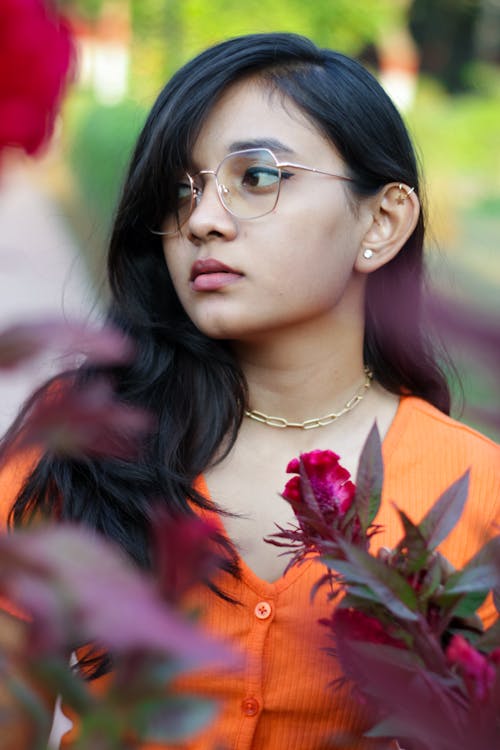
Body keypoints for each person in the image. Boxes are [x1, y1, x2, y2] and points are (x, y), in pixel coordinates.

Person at [1, 32, 499, 750]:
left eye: (257, 177)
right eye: (180, 190)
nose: (201, 219)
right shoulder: (87, 437)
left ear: (382, 222)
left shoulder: (477, 491)